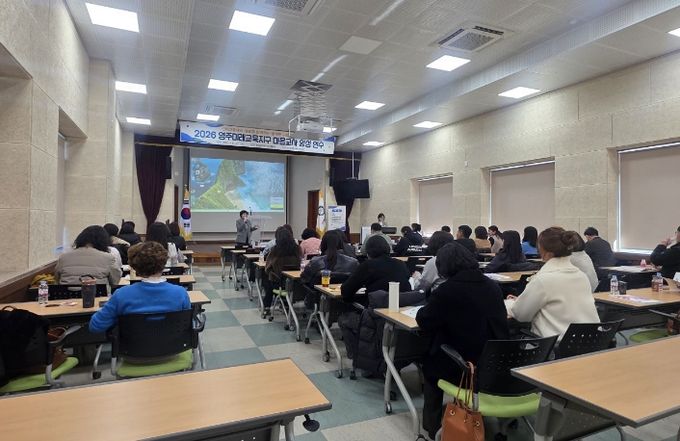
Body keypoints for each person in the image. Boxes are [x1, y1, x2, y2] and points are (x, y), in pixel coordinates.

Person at [416, 242, 509, 438]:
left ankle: (431, 426)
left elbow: (424, 320)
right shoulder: (492, 286)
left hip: (463, 367)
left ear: (443, 267)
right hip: (494, 364)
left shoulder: (447, 291)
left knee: (430, 364)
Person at [507, 227, 599, 339]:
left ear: (545, 252)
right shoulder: (581, 276)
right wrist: (522, 300)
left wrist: (513, 303)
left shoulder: (543, 279)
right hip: (588, 342)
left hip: (553, 345)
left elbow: (521, 315)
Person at [89, 241, 190, 334]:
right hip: (172, 346)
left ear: (134, 266)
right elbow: (186, 323)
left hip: (131, 346)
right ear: (164, 264)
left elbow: (95, 326)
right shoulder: (180, 293)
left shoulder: (121, 295)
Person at [341, 235, 410, 303]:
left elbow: (346, 291)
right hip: (404, 305)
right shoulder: (401, 264)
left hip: (377, 306)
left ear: (368, 253)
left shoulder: (368, 265)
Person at [55, 225, 122, 285]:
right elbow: (115, 282)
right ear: (104, 242)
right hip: (97, 294)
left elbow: (57, 279)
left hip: (66, 294)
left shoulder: (63, 257)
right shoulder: (108, 258)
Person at [263, 227, 301, 314]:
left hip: (279, 283)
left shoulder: (275, 250)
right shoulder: (297, 249)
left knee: (267, 281)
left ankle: (267, 306)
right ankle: (285, 303)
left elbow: (267, 268)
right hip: (295, 284)